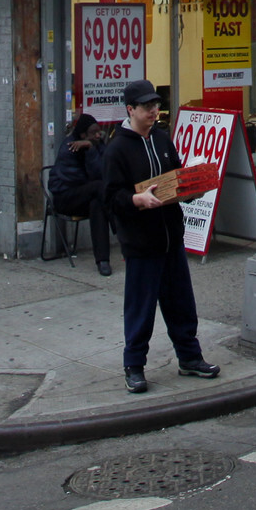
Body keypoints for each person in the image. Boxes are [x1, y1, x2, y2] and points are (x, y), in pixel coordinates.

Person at [101, 79, 219, 395]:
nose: (154, 111)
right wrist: (136, 200)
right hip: (141, 243)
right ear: (130, 110)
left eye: (155, 105)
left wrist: (194, 188)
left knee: (181, 303)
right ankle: (134, 366)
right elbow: (111, 199)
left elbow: (176, 180)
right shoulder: (117, 150)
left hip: (171, 237)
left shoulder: (163, 140)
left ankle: (190, 358)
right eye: (146, 106)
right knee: (140, 308)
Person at [47, 112, 112, 276]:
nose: (98, 135)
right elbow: (91, 178)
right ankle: (120, 223)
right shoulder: (69, 147)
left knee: (98, 204)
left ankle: (102, 260)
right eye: (93, 133)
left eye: (99, 131)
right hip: (65, 198)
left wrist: (92, 148)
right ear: (83, 135)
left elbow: (105, 172)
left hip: (88, 195)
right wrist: (90, 150)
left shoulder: (98, 144)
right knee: (99, 188)